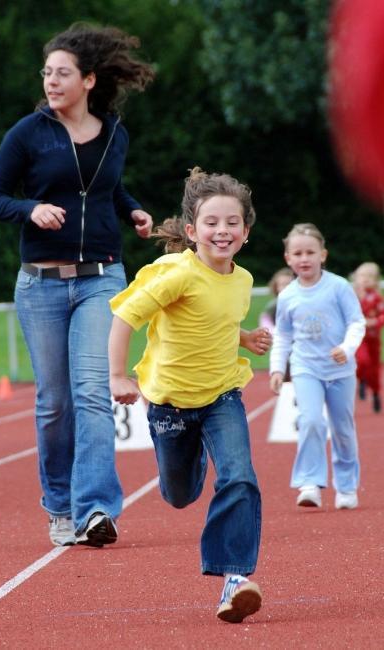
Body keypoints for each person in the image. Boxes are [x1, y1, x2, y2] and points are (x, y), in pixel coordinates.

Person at [0, 23, 155, 547]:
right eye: (47, 72)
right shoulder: (27, 134)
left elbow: (109, 189)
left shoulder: (113, 133)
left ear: (88, 80)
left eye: (62, 73)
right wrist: (31, 209)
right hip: (42, 286)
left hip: (103, 279)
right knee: (55, 402)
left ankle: (96, 509)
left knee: (94, 393)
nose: (51, 81)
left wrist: (135, 211)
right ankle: (59, 505)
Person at [108, 167, 272, 624]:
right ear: (191, 230)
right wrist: (117, 376)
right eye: (212, 222)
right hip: (170, 405)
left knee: (240, 476)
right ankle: (191, 459)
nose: (222, 231)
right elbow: (125, 319)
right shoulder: (176, 276)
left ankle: (235, 578)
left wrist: (244, 339)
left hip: (222, 396)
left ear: (246, 231)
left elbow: (213, 319)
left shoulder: (242, 280)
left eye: (232, 222)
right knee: (179, 494)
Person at [269, 223, 366, 510]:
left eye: (310, 252)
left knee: (343, 429)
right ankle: (309, 482)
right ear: (288, 258)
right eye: (297, 253)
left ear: (323, 254)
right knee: (310, 420)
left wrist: (346, 349)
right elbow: (283, 335)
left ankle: (346, 486)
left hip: (340, 370)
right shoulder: (287, 296)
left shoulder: (338, 287)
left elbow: (356, 322)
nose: (304, 258)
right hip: (305, 368)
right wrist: (277, 368)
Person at [352, 262, 384, 412]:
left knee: (374, 370)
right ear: (356, 278)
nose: (366, 279)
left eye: (370, 277)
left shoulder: (377, 298)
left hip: (374, 340)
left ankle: (375, 393)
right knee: (362, 361)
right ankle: (361, 379)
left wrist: (375, 322)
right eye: (362, 276)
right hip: (358, 339)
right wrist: (360, 322)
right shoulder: (352, 297)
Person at [259, 267, 294, 333]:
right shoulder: (273, 305)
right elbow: (265, 322)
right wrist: (275, 332)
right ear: (276, 287)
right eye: (283, 284)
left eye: (289, 284)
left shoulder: (301, 303)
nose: (287, 287)